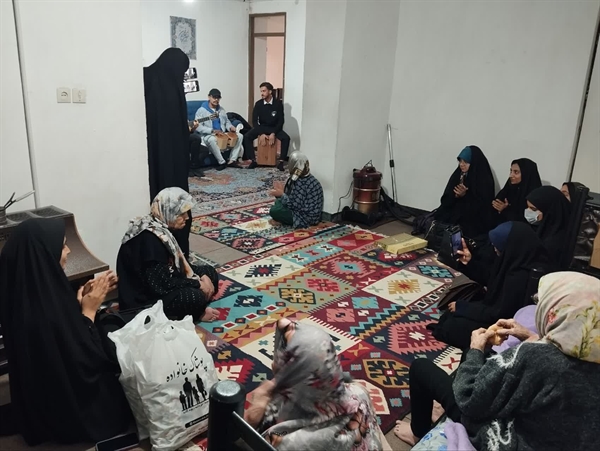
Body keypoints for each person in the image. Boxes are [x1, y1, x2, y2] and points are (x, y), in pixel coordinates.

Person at [394, 271, 600, 450]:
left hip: (509, 440)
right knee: (471, 357)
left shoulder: (535, 357)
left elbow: (470, 399)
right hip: (554, 437)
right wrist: (532, 336)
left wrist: (476, 348)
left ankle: (417, 432)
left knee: (422, 368)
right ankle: (443, 408)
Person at [0, 219, 132, 445]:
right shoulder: (44, 309)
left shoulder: (25, 290)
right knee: (116, 342)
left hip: (41, 398)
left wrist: (79, 302)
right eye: (62, 245)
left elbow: (60, 333)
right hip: (70, 408)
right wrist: (89, 311)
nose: (69, 250)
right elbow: (85, 360)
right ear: (43, 254)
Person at [245, 318, 382, 451]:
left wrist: (252, 415)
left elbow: (245, 440)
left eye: (283, 359)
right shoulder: (359, 391)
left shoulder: (285, 438)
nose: (274, 364)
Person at [430, 221, 550, 350]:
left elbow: (499, 313)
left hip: (508, 325)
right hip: (498, 309)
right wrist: (470, 263)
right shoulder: (521, 258)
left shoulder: (521, 276)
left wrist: (463, 308)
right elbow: (492, 280)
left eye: (497, 246)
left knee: (450, 325)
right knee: (450, 314)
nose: (494, 248)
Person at [116, 187, 219, 322]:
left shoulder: (161, 228)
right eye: (182, 213)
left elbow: (178, 266)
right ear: (168, 212)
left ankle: (198, 300)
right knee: (194, 297)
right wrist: (198, 284)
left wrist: (202, 277)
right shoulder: (150, 241)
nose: (187, 217)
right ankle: (196, 313)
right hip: (144, 300)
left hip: (163, 279)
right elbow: (161, 286)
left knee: (209, 272)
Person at [144, 47, 193, 256]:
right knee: (175, 202)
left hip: (153, 156)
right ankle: (176, 253)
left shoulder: (147, 78)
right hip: (172, 158)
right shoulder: (171, 88)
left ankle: (168, 252)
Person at [434, 146, 495, 238]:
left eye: (465, 162)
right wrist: (456, 196)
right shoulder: (458, 175)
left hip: (475, 216)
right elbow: (445, 199)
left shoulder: (484, 179)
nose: (461, 165)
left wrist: (466, 195)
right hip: (457, 211)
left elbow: (484, 206)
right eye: (460, 161)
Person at [268, 151, 324, 229]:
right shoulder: (306, 177)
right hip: (308, 213)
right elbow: (293, 197)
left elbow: (294, 206)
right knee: (278, 202)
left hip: (305, 218)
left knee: (274, 211)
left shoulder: (301, 182)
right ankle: (281, 219)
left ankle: (282, 220)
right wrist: (282, 192)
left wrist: (282, 194)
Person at [243, 82, 291, 171]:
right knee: (247, 136)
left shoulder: (278, 104)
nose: (262, 93)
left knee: (286, 138)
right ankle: (253, 160)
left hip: (274, 128)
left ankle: (281, 161)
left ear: (270, 91)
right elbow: (255, 121)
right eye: (261, 91)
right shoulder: (258, 104)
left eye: (264, 91)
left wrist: (273, 133)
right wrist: (261, 133)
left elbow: (281, 121)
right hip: (262, 127)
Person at [194, 88, 243, 171]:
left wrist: (230, 127)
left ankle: (232, 160)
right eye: (214, 97)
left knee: (240, 136)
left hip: (222, 133)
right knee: (212, 140)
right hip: (209, 134)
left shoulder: (221, 110)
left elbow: (226, 122)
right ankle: (222, 162)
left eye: (218, 98)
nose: (216, 100)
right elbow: (198, 126)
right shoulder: (201, 111)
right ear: (209, 97)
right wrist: (212, 130)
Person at [526, 185, 572, 265]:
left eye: (533, 209)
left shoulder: (554, 243)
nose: (528, 211)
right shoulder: (542, 229)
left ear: (548, 211)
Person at [492, 158, 542, 224]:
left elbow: (527, 220)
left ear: (526, 174)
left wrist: (505, 210)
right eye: (511, 171)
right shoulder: (509, 189)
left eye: (516, 172)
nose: (511, 175)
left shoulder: (535, 195)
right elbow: (495, 205)